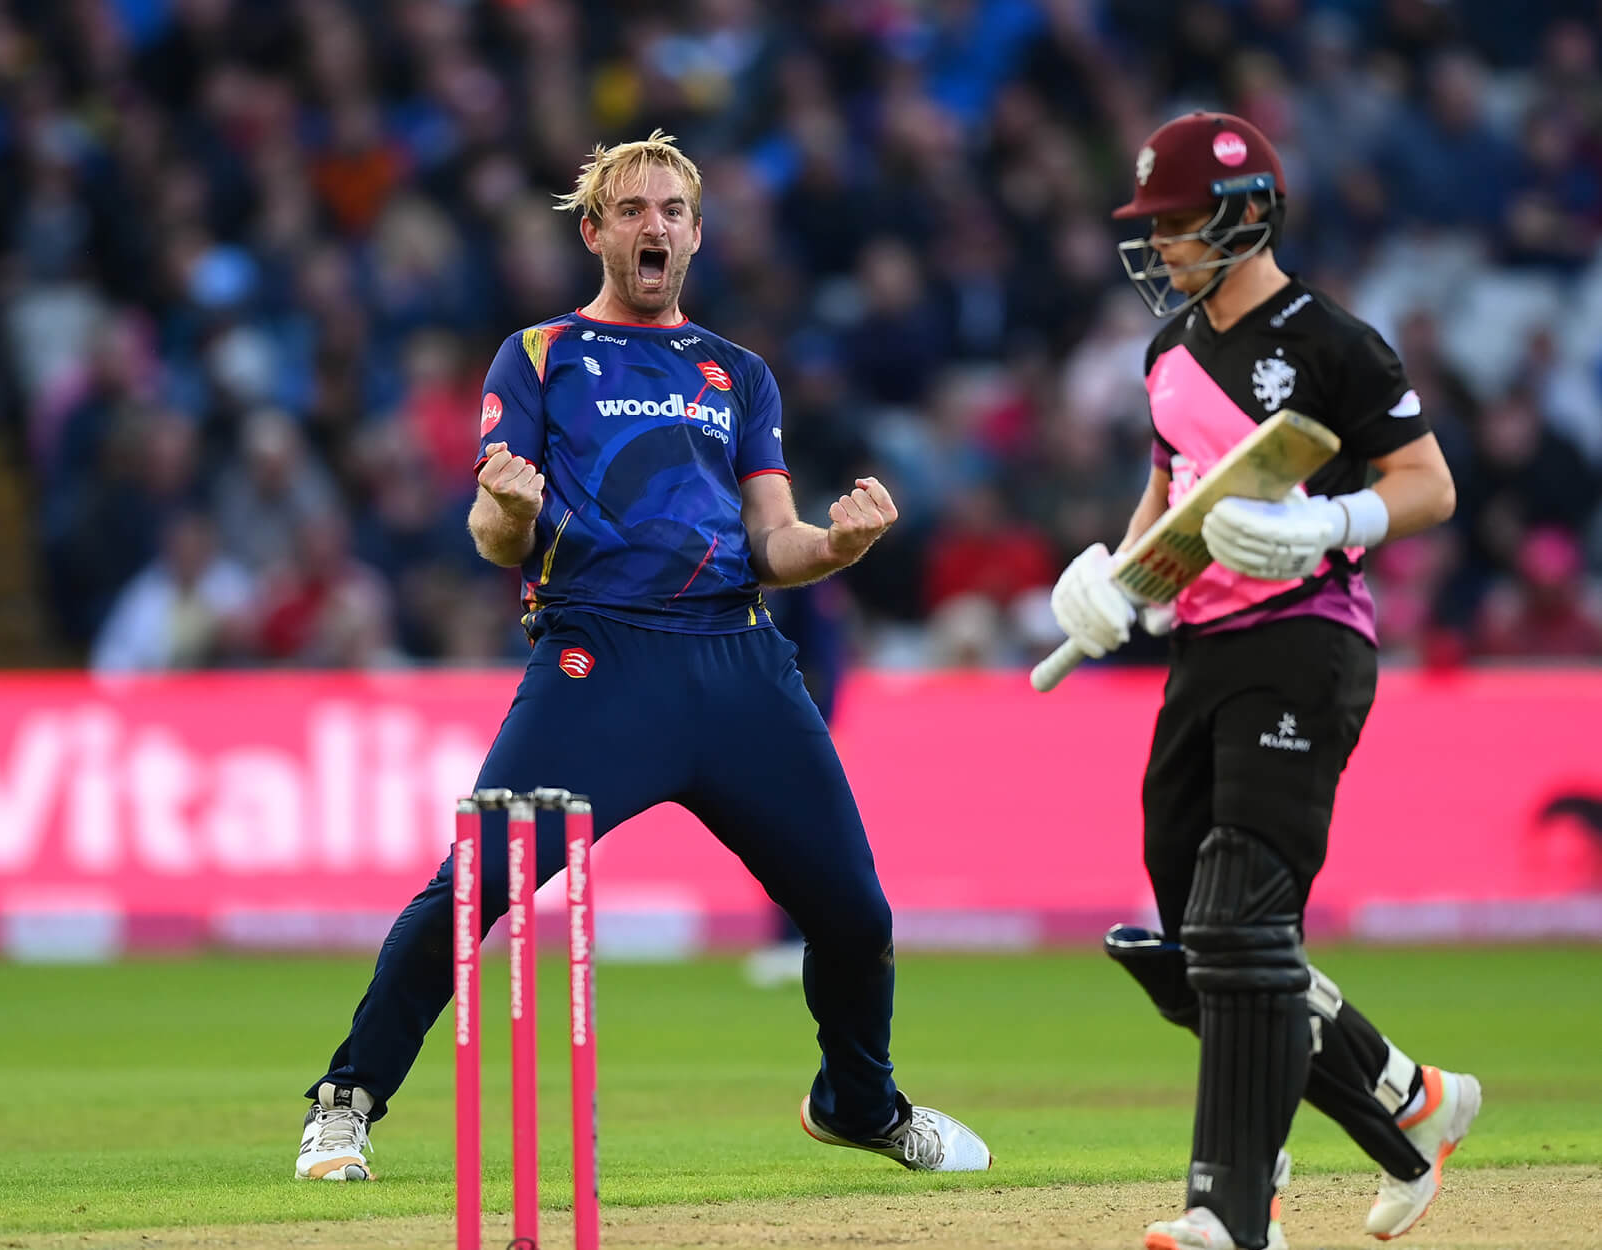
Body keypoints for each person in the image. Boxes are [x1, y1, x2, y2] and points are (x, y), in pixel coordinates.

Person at [296, 130, 991, 1182]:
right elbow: (496, 539)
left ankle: (858, 1101)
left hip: (738, 662)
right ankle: (344, 1101)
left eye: (670, 209)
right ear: (594, 231)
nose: (651, 224)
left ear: (696, 233)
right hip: (600, 661)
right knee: (475, 884)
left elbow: (773, 543)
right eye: (629, 209)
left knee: (853, 913)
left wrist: (839, 545)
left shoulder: (737, 373)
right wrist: (504, 509)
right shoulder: (535, 356)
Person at [1048, 112, 1481, 1250]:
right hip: (1200, 651)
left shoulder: (1333, 341)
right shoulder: (1165, 354)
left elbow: (1426, 483)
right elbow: (1169, 497)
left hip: (1305, 635)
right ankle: (1407, 1102)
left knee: (1239, 925)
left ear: (1245, 213)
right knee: (1202, 944)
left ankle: (1233, 1209)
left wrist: (1336, 519)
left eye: (1178, 223)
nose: (1162, 246)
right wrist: (1113, 580)